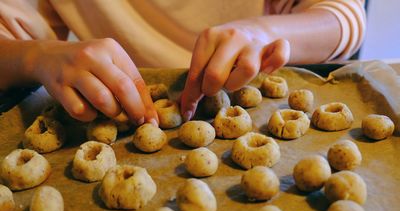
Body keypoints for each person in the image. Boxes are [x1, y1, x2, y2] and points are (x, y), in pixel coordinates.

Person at [0, 0, 366, 125]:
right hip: (120, 102)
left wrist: (262, 31)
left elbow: (344, 17)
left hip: (251, 87)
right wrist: (35, 56)